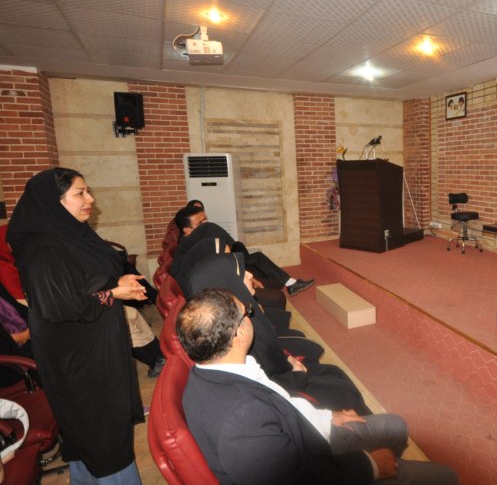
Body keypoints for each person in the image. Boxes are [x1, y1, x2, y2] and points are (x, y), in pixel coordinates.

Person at [178, 288, 459, 485]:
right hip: (316, 460)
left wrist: (327, 417)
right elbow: (298, 479)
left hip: (308, 433)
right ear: (239, 332)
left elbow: (282, 403)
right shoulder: (241, 420)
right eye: (247, 312)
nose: (252, 316)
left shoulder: (210, 372)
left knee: (396, 426)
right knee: (446, 477)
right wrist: (372, 466)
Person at [6, 167, 145, 482]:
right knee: (104, 435)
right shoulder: (43, 250)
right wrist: (115, 293)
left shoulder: (70, 235)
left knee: (89, 438)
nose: (90, 199)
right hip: (78, 361)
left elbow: (86, 283)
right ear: (54, 202)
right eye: (80, 193)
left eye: (88, 191)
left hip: (93, 350)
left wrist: (117, 283)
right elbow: (64, 307)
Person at [186, 253, 367, 413]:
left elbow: (270, 352)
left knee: (334, 372)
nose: (250, 275)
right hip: (284, 391)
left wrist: (288, 358)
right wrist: (296, 374)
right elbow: (265, 385)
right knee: (341, 389)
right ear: (228, 283)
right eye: (241, 273)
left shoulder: (234, 317)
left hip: (283, 372)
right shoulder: (234, 334)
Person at [173, 204, 315, 297]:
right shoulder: (189, 248)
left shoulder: (195, 239)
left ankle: (290, 283)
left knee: (258, 258)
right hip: (218, 287)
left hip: (228, 270)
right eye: (201, 223)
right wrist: (246, 277)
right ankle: (287, 284)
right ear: (187, 230)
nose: (206, 224)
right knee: (272, 284)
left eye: (206, 220)